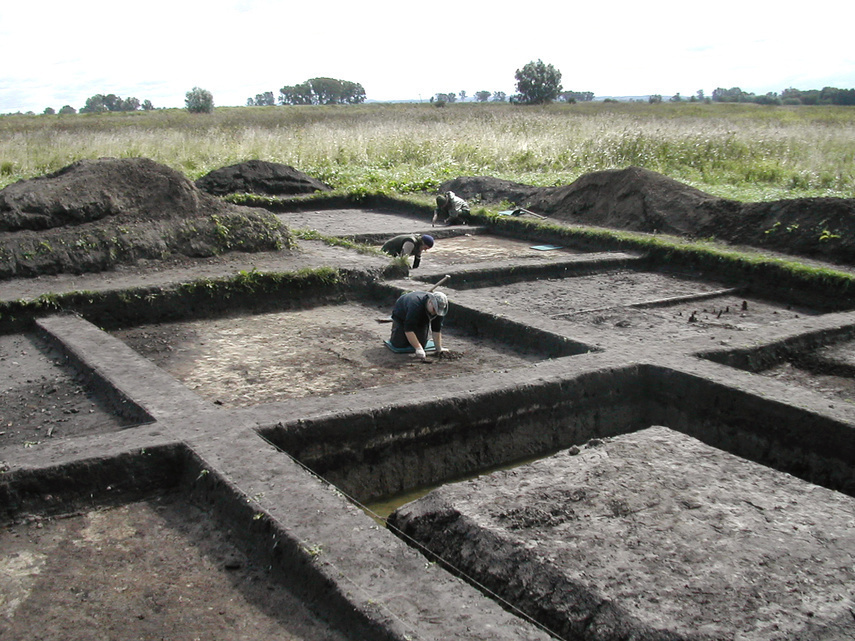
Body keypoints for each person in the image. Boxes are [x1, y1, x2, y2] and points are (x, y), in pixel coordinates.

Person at [389, 290, 449, 359]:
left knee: (422, 344)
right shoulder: (415, 305)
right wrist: (418, 348)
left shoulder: (439, 311)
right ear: (430, 302)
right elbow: (409, 329)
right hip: (401, 317)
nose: (435, 313)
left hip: (421, 319)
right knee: (399, 344)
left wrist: (439, 348)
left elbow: (436, 329)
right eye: (434, 309)